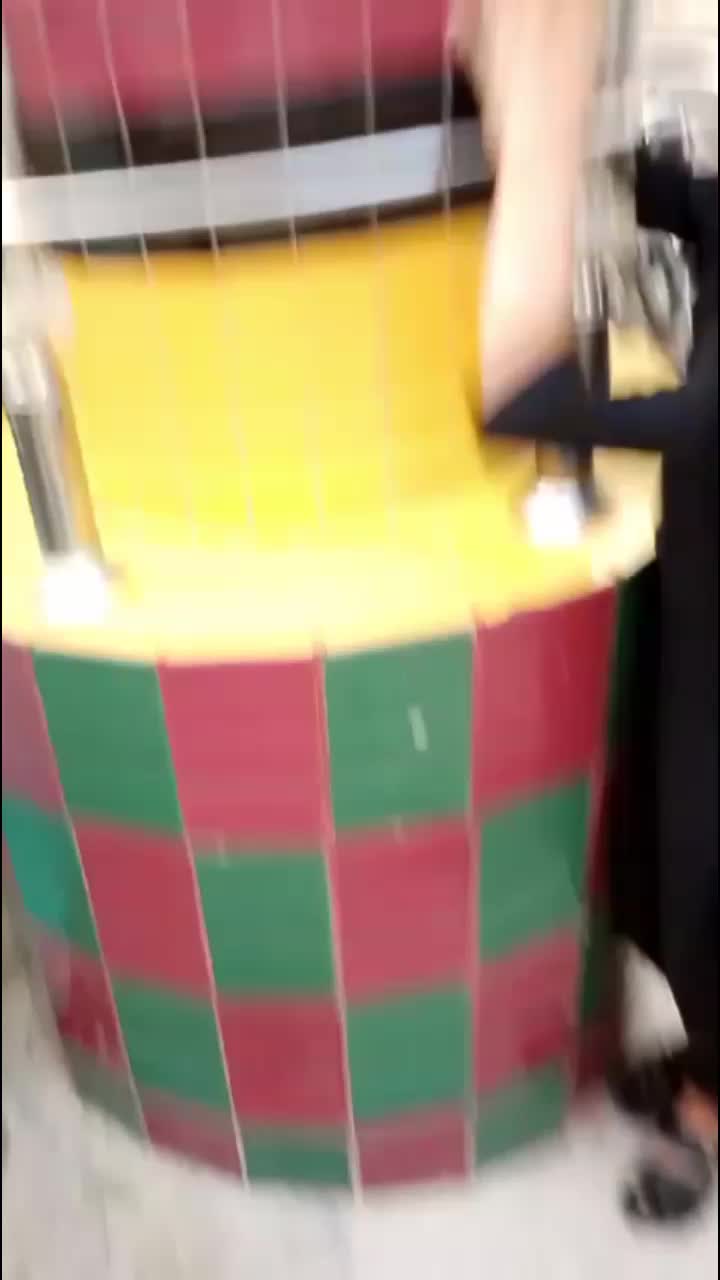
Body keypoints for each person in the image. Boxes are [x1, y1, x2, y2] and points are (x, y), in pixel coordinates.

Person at [486, 144, 718, 1224]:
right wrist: (625, 158)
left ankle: (709, 1108)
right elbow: (694, 207)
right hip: (699, 602)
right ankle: (704, 1060)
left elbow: (683, 414)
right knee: (666, 858)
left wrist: (535, 400)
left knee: (703, 876)